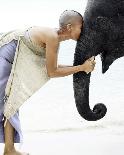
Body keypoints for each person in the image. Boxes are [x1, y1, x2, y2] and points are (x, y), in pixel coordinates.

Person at [0, 10, 96, 155]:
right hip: (5, 58)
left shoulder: (53, 38)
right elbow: (52, 72)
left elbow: (52, 68)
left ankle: (9, 149)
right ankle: (9, 150)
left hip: (11, 59)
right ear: (69, 27)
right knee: (9, 102)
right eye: (81, 27)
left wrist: (81, 68)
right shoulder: (52, 38)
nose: (83, 31)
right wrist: (82, 68)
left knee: (12, 103)